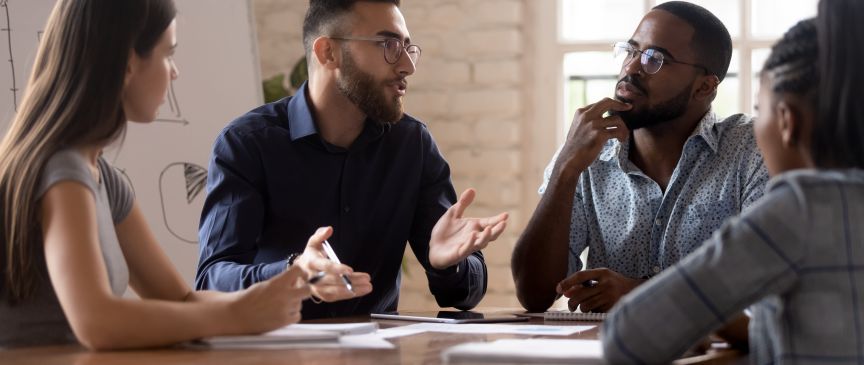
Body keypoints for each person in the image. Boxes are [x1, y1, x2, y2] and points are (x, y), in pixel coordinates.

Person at [0, 0, 330, 350]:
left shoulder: (102, 177)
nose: (175, 73)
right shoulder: (63, 171)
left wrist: (265, 298)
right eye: (168, 54)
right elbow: (96, 323)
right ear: (128, 64)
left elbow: (181, 300)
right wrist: (237, 315)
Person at [195, 0, 508, 318]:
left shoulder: (412, 145)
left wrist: (448, 264)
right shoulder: (247, 144)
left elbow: (462, 295)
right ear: (328, 52)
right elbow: (210, 281)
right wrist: (293, 273)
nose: (407, 66)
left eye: (407, 48)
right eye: (388, 45)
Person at [603, 0, 864, 361]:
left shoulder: (797, 211)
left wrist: (704, 315)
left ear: (787, 122)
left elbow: (628, 336)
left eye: (760, 111)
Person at [511, 1, 768, 314]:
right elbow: (533, 294)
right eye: (631, 51)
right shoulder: (587, 155)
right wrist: (566, 167)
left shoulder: (752, 150)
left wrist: (640, 292)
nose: (631, 68)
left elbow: (763, 285)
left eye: (654, 59)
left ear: (704, 87)